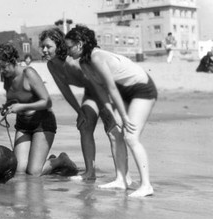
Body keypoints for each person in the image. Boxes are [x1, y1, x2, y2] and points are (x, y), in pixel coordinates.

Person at [65, 25, 156, 197]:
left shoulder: (97, 57)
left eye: (70, 48)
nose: (68, 53)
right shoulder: (84, 63)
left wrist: (122, 115)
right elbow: (101, 91)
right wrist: (112, 113)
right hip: (125, 92)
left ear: (80, 44)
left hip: (141, 90)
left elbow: (112, 88)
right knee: (117, 133)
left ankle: (146, 185)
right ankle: (121, 180)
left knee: (131, 136)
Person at [39, 28, 125, 181]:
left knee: (113, 132)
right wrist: (80, 112)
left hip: (107, 90)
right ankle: (90, 173)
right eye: (42, 46)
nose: (44, 50)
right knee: (84, 125)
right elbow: (65, 90)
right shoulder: (52, 65)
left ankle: (122, 177)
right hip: (92, 92)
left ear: (59, 46)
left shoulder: (73, 62)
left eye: (48, 46)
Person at [0, 43, 78, 176]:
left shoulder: (29, 73)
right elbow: (15, 99)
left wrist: (22, 107)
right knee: (19, 171)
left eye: (3, 67)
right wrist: (6, 107)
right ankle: (48, 162)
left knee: (34, 172)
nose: (1, 71)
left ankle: (60, 160)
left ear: (13, 61)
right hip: (23, 125)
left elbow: (47, 102)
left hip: (42, 124)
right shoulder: (7, 79)